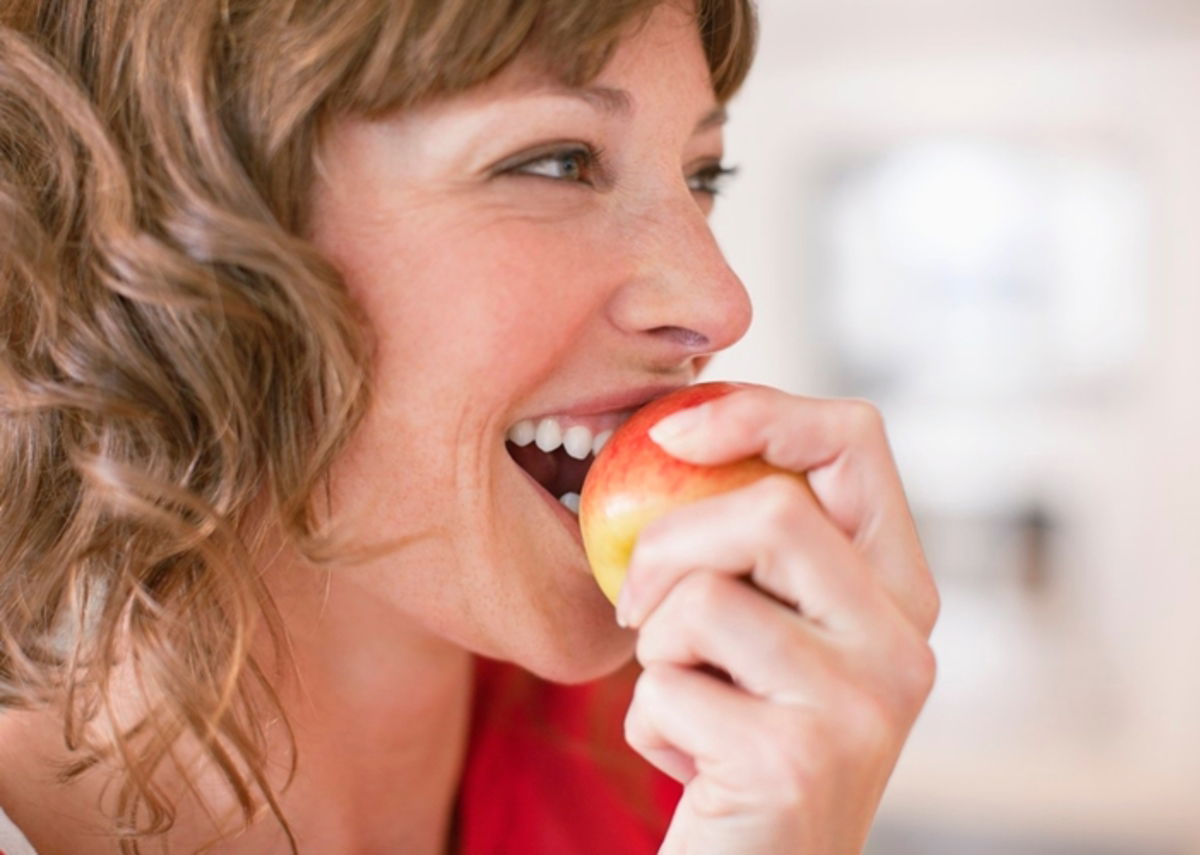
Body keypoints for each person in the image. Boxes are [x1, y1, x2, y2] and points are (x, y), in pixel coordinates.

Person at [0, 0, 940, 852]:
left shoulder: (711, 765)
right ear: (187, 233)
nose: (720, 302)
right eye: (557, 162)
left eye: (704, 174)